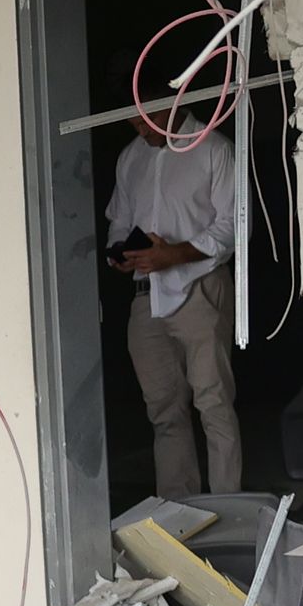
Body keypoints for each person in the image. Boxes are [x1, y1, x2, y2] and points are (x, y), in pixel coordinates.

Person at [110, 125, 241, 502]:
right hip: (146, 295)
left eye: (149, 118)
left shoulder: (213, 148)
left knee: (214, 403)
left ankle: (229, 508)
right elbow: (119, 221)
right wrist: (120, 252)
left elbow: (234, 224)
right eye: (135, 121)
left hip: (199, 286)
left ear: (173, 102)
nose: (141, 127)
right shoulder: (131, 156)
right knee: (164, 412)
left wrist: (175, 254)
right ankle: (178, 512)